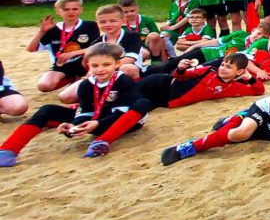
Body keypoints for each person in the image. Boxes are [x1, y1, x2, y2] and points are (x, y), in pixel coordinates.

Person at [0, 43, 154, 165]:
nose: (100, 70)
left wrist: (97, 124)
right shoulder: (86, 85)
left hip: (123, 123)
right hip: (95, 120)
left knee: (143, 103)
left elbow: (121, 111)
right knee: (47, 109)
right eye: (95, 66)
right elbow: (85, 111)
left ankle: (102, 142)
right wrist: (73, 126)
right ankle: (8, 150)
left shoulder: (123, 81)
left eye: (106, 64)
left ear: (117, 64)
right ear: (88, 66)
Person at [160, 72, 270, 166]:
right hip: (267, 110)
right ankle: (190, 147)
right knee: (242, 133)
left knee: (234, 136)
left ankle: (236, 118)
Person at [137, 53, 264, 110]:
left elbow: (259, 90)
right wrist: (181, 68)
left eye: (228, 67)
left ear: (239, 71)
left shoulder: (234, 87)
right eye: (222, 65)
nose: (222, 69)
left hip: (166, 101)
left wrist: (248, 76)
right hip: (160, 85)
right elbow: (180, 75)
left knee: (141, 109)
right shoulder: (208, 70)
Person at [28, 0, 99, 96]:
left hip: (85, 63)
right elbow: (31, 49)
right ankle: (71, 78)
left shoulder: (90, 25)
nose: (71, 12)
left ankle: (82, 79)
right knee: (44, 86)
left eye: (75, 9)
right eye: (66, 9)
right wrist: (42, 32)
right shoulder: (53, 29)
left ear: (81, 9)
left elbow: (96, 47)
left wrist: (73, 53)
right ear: (58, 11)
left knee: (91, 57)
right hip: (62, 65)